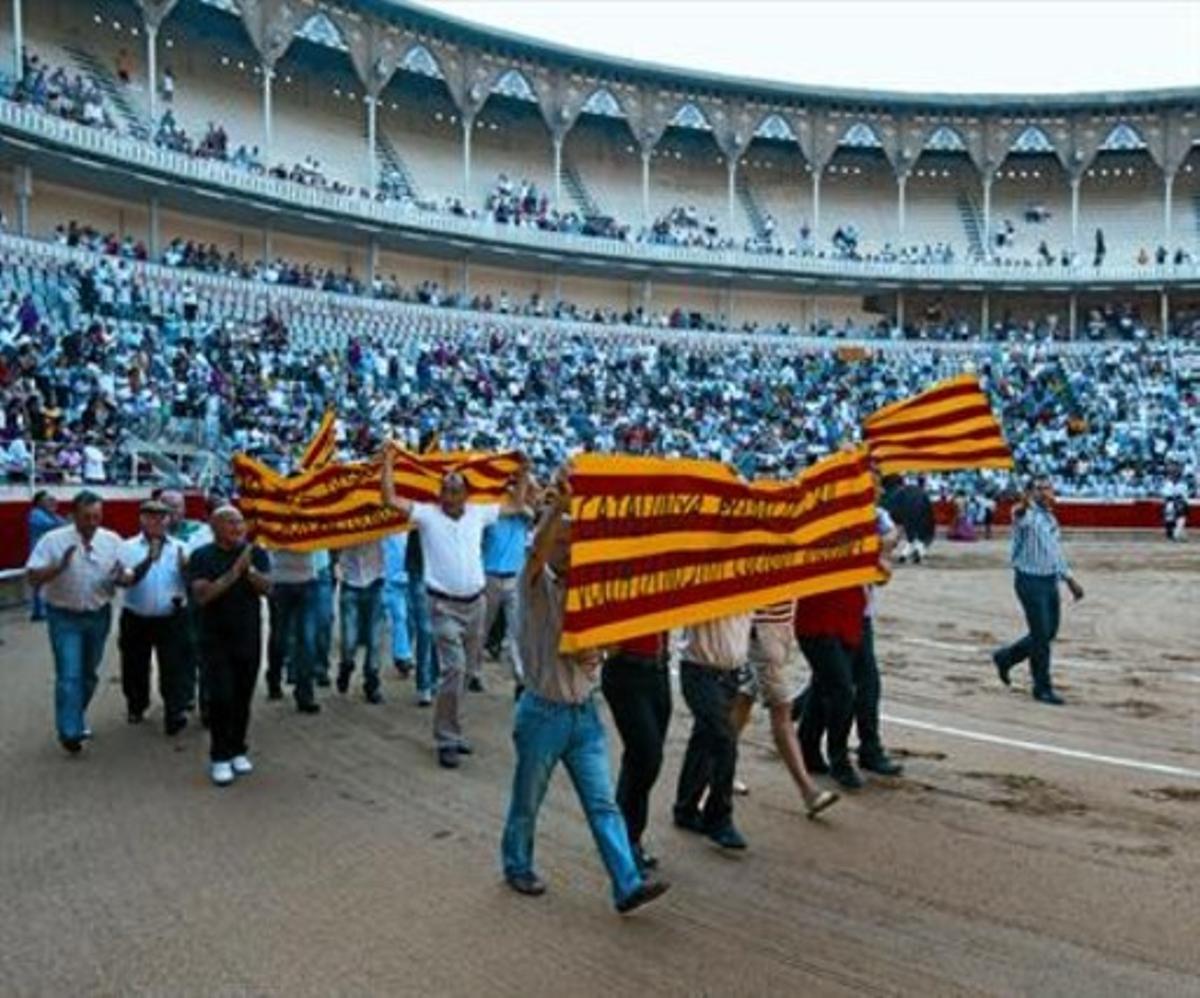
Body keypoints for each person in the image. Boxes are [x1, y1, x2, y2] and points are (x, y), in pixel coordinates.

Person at [499, 472, 670, 914]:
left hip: (581, 712)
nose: (570, 550)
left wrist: (599, 651)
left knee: (603, 804)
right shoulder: (533, 586)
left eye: (575, 543)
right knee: (527, 800)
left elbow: (610, 645)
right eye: (564, 543)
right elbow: (536, 553)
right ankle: (517, 864)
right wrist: (560, 508)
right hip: (543, 712)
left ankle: (626, 883)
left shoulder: (587, 597)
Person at [383, 449, 521, 768]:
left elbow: (515, 505)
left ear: (466, 494)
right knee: (454, 669)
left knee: (465, 672)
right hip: (442, 605)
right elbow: (390, 500)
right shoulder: (427, 514)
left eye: (457, 489)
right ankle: (446, 738)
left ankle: (454, 732)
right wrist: (388, 465)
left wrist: (523, 472)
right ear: (440, 493)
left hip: (476, 604)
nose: (451, 494)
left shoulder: (478, 512)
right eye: (446, 488)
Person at [26, 490, 124, 753]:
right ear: (73, 516)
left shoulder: (111, 540)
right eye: (87, 517)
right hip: (63, 615)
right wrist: (58, 568)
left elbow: (126, 572)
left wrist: (121, 576)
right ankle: (70, 732)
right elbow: (33, 577)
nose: (92, 522)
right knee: (69, 675)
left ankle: (75, 717)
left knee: (89, 674)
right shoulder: (53, 540)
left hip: (98, 613)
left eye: (97, 516)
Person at [730, 602, 840, 816]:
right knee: (781, 710)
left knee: (743, 703)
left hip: (775, 627)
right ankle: (808, 791)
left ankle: (717, 772)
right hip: (764, 631)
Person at [188, 506, 271, 786]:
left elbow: (268, 589)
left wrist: (250, 572)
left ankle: (238, 748)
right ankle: (219, 756)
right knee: (221, 697)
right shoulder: (202, 556)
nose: (238, 527)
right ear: (215, 526)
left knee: (243, 696)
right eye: (231, 522)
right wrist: (235, 571)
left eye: (240, 522)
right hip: (214, 637)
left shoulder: (254, 552)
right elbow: (203, 595)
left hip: (248, 634)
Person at [991, 476, 1084, 705]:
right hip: (1029, 580)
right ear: (1033, 493)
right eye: (1042, 489)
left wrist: (1069, 579)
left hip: (1049, 580)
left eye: (1050, 488)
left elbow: (1055, 553)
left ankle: (1006, 657)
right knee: (1041, 636)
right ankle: (1041, 687)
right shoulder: (1025, 514)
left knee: (1048, 633)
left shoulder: (1050, 519)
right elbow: (1020, 515)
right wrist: (1025, 501)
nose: (1048, 493)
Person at [673, 611, 754, 850]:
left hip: (730, 672)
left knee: (705, 738)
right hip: (699, 669)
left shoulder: (753, 583)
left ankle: (686, 808)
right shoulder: (708, 577)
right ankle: (719, 818)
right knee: (724, 739)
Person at [117, 499, 190, 735]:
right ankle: (137, 705)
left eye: (162, 517)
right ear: (142, 519)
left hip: (171, 616)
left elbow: (191, 583)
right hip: (136, 615)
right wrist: (149, 558)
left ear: (169, 519)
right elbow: (127, 580)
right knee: (134, 665)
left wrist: (186, 570)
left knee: (174, 666)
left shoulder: (181, 546)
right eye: (151, 517)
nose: (157, 522)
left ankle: (174, 711)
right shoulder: (127, 547)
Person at [601, 630, 672, 873]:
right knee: (645, 757)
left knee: (644, 761)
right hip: (626, 668)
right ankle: (624, 840)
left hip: (658, 668)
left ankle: (629, 838)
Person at [478, 468, 534, 693]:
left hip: (514, 577)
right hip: (490, 575)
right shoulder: (492, 512)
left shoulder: (523, 515)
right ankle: (474, 671)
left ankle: (520, 675)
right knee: (482, 628)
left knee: (517, 630)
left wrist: (522, 477)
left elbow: (531, 506)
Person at [266, 547, 322, 713]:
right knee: (280, 638)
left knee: (307, 640)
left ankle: (305, 693)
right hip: (279, 581)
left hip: (307, 580)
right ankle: (274, 678)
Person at [336, 540, 386, 703]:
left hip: (375, 581)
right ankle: (346, 665)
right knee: (349, 639)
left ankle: (372, 682)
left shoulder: (378, 520)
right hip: (350, 582)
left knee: (375, 639)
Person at [27, 490, 64, 621]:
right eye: (48, 500)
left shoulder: (51, 515)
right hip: (39, 552)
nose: (52, 502)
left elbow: (63, 524)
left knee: (47, 580)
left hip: (48, 552)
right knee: (40, 581)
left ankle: (43, 609)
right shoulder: (35, 514)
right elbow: (55, 525)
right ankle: (38, 611)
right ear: (39, 502)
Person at [382, 532, 414, 675]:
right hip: (389, 574)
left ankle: (404, 652)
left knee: (407, 618)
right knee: (399, 616)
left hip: (409, 574)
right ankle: (402, 655)